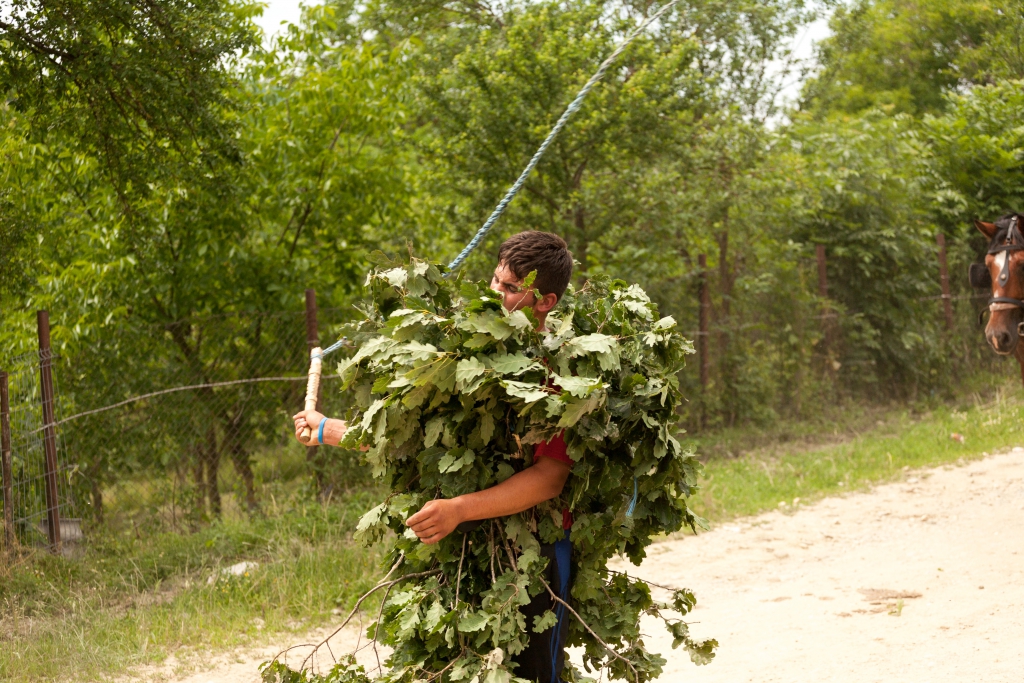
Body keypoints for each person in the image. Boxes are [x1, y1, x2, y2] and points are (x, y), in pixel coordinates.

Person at [292, 231, 576, 683]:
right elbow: (408, 433)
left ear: (545, 302)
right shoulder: (460, 353)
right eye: (494, 282)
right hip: (453, 545)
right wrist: (326, 430)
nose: (494, 295)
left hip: (532, 555)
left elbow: (548, 479)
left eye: (509, 289)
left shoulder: (559, 376)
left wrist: (458, 509)